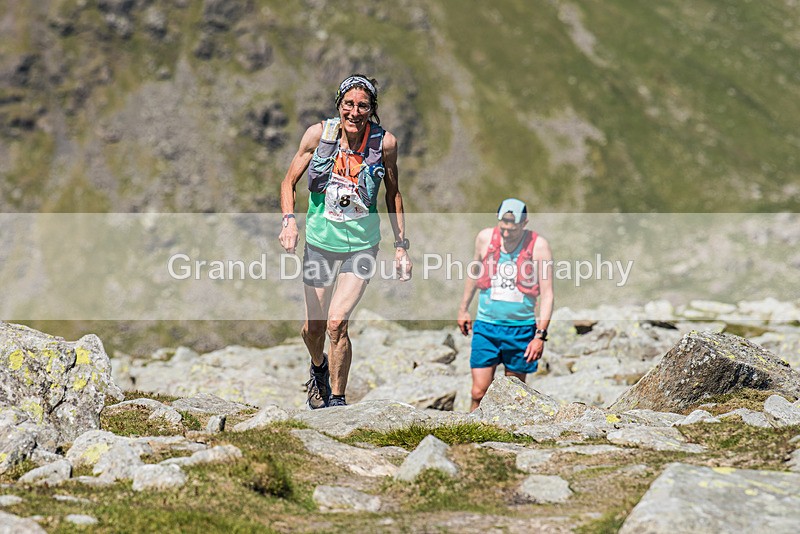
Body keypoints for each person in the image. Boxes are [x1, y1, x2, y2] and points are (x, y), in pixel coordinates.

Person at [279, 74, 412, 409]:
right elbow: (288, 182)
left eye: (363, 106)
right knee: (314, 328)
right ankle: (319, 368)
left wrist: (401, 246)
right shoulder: (318, 135)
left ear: (372, 109)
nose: (355, 112)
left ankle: (337, 401)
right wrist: (288, 223)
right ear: (339, 105)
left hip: (361, 247)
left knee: (337, 323)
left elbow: (393, 194)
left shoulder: (385, 144)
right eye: (348, 104)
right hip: (321, 243)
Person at [457, 199, 554, 411]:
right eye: (504, 225)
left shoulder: (538, 246)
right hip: (486, 326)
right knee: (478, 391)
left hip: (520, 330)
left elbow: (547, 294)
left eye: (513, 226)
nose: (508, 231)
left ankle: (507, 438)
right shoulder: (484, 238)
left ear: (524, 222)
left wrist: (540, 336)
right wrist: (463, 308)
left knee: (514, 394)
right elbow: (474, 274)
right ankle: (471, 435)